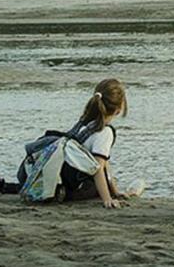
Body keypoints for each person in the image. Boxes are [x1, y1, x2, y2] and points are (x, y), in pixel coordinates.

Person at [56, 78, 137, 207]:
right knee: (96, 186)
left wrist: (114, 191)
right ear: (119, 108)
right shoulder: (105, 132)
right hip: (78, 184)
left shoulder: (84, 123)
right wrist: (107, 199)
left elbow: (104, 164)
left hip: (64, 176)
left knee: (105, 181)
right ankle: (66, 194)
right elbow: (98, 168)